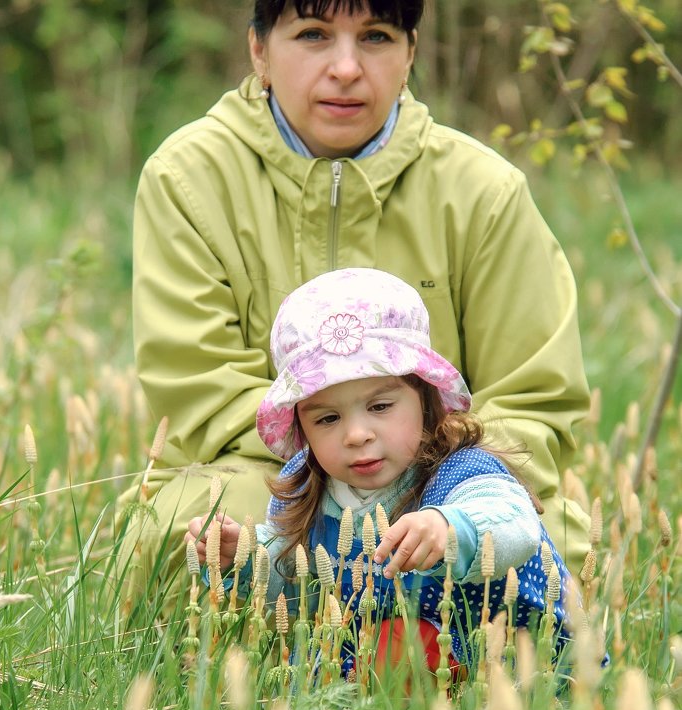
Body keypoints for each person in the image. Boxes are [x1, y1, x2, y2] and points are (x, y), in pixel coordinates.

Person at [123, 0, 590, 615]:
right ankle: (260, 696)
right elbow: (199, 385)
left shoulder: (483, 191)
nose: (346, 67)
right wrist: (334, 477)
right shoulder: (188, 178)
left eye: (375, 36)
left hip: (448, 468)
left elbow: (533, 395)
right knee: (198, 539)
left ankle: (460, 689)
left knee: (539, 541)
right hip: (259, 473)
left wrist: (431, 486)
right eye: (313, 35)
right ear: (259, 51)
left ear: (410, 53)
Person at [186, 268, 574, 670]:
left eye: (380, 407)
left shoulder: (461, 471)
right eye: (328, 419)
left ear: (425, 400)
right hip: (363, 666)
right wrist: (248, 557)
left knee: (402, 645)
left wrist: (453, 528)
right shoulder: (305, 490)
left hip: (504, 659)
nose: (356, 434)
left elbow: (516, 525)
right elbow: (300, 585)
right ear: (301, 426)